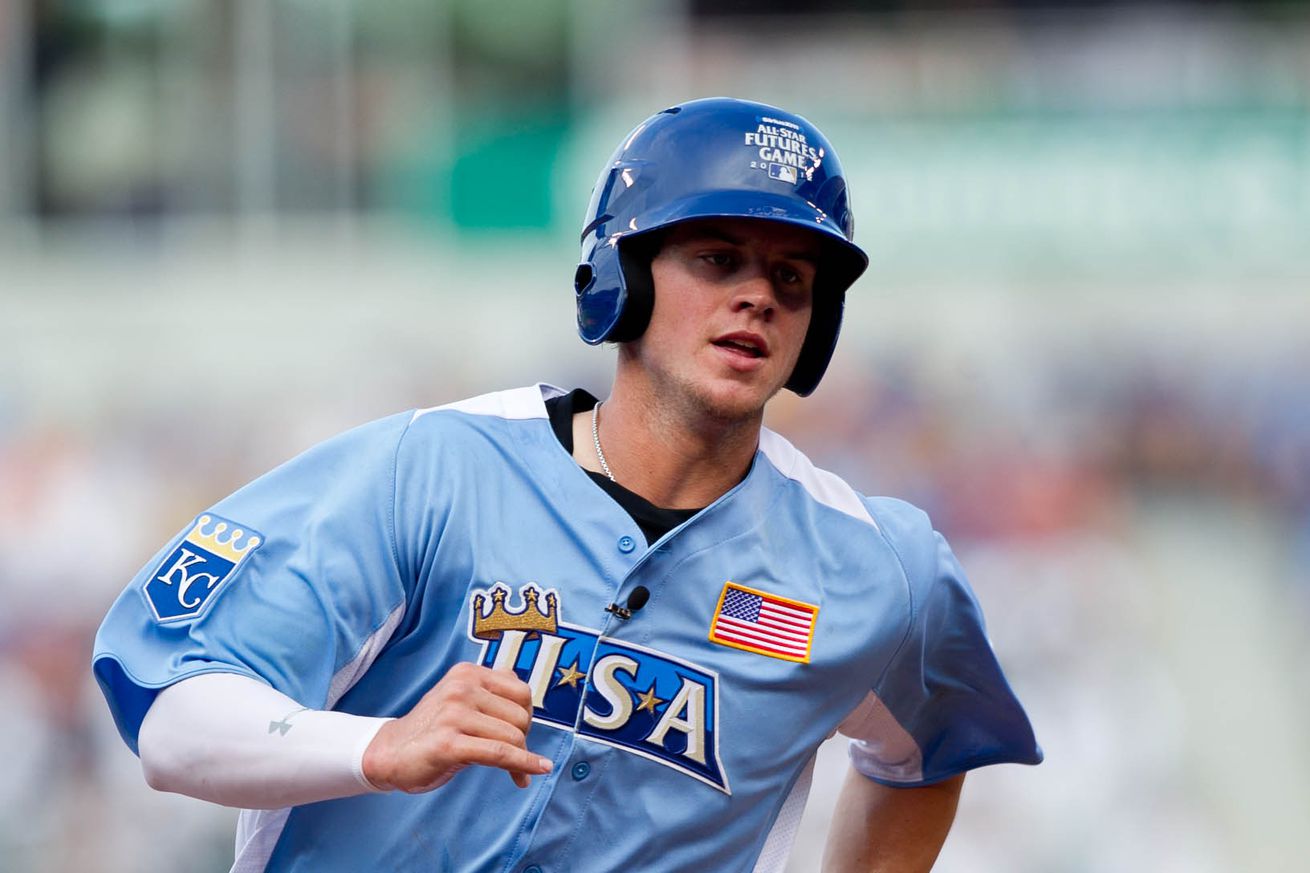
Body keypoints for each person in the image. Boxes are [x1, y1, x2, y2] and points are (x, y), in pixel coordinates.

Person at [92, 97, 1041, 872]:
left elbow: (928, 753)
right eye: (717, 259)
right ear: (622, 273)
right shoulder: (435, 469)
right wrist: (375, 748)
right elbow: (168, 711)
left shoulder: (876, 566)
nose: (758, 295)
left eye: (792, 277)